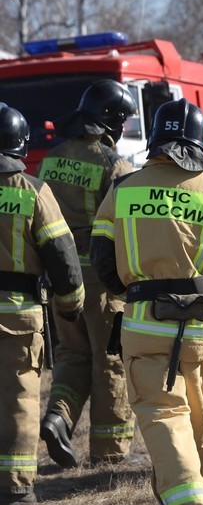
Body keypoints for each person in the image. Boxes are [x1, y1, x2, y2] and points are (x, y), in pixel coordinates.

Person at [90, 99, 203, 505]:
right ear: (200, 143)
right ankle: (190, 503)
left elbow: (103, 261)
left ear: (156, 139)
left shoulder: (123, 189)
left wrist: (135, 290)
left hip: (146, 323)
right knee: (198, 411)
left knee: (163, 415)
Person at [37, 79, 137, 467]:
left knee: (72, 355)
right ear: (111, 120)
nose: (124, 128)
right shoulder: (114, 164)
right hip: (101, 281)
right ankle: (110, 454)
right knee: (110, 359)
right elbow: (122, 227)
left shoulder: (53, 156)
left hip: (61, 278)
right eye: (123, 121)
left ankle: (58, 417)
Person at [0, 104, 85, 505]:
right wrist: (71, 305)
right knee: (19, 398)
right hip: (17, 314)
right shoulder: (32, 191)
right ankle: (16, 490)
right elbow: (62, 256)